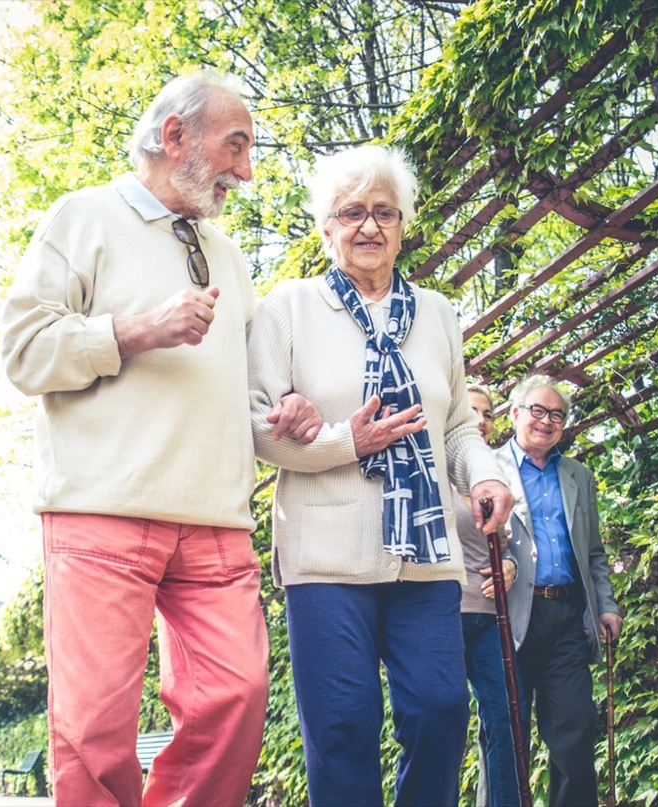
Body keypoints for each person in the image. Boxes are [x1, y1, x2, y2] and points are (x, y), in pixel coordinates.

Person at [1, 71, 320, 807]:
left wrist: (281, 413)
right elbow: (23, 352)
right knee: (93, 728)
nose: (246, 169)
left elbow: (242, 390)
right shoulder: (80, 217)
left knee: (237, 697)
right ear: (174, 136)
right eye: (235, 146)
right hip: (100, 511)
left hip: (214, 519)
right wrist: (134, 330)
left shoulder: (231, 256)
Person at [247, 144, 514, 806]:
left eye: (384, 213)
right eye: (352, 212)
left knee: (441, 709)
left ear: (403, 225)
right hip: (326, 556)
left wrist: (483, 475)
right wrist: (348, 441)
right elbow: (257, 429)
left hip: (423, 558)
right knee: (341, 725)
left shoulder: (439, 314)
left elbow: (456, 427)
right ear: (327, 226)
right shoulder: (289, 307)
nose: (369, 227)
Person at [497, 374, 623, 807]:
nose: (547, 421)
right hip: (508, 618)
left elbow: (593, 551)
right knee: (505, 736)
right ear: (514, 413)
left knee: (574, 729)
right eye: (537, 410)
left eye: (557, 414)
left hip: (566, 618)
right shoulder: (486, 469)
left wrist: (605, 605)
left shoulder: (578, 475)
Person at [457, 383, 524, 806]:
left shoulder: (498, 478)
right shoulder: (434, 470)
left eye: (487, 413)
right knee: (442, 721)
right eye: (471, 411)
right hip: (442, 614)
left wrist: (512, 564)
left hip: (492, 619)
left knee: (506, 723)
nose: (480, 420)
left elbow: (515, 542)